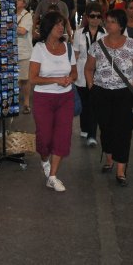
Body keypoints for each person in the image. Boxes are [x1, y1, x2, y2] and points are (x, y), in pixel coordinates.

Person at [85, 8, 133, 186]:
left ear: (120, 26)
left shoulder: (132, 46)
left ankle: (121, 169)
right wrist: (91, 86)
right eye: (108, 21)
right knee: (106, 128)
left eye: (112, 22)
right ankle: (109, 159)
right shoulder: (97, 45)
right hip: (101, 92)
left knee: (123, 130)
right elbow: (89, 68)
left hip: (124, 93)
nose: (108, 24)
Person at [29, 11, 76, 192]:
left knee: (62, 136)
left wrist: (69, 79)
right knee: (44, 138)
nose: (61, 27)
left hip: (65, 98)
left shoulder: (68, 48)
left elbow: (74, 72)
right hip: (43, 98)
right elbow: (33, 78)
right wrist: (55, 80)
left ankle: (53, 176)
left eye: (62, 24)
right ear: (48, 27)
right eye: (57, 24)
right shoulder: (39, 49)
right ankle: (44, 159)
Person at [73, 2, 105, 147]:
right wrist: (72, 72)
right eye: (92, 16)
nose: (95, 19)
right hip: (81, 72)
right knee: (84, 103)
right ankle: (85, 128)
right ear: (87, 17)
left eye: (98, 16)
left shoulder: (105, 33)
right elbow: (75, 54)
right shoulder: (79, 33)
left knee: (94, 104)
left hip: (98, 73)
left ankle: (92, 134)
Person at [15, 0, 34, 113]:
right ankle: (14, 100)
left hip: (24, 52)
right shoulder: (10, 14)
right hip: (12, 52)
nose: (16, 1)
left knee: (25, 79)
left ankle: (26, 102)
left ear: (24, 3)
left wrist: (8, 26)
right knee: (15, 78)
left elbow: (23, 31)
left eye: (19, 0)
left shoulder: (27, 16)